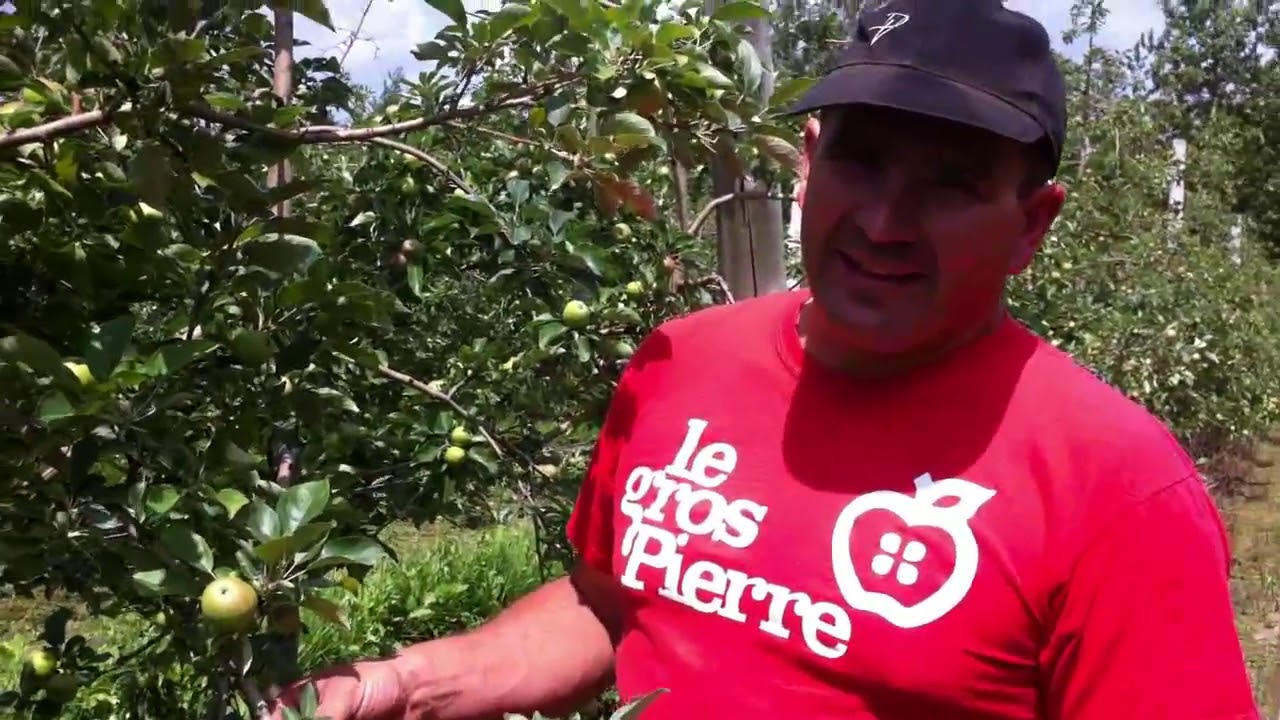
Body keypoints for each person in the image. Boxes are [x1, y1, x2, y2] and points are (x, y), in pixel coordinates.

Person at [268, 1, 1260, 718]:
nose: (881, 221)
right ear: (805, 163)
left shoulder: (1113, 486)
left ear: (1030, 225)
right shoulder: (676, 365)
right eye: (858, 162)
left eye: (950, 185)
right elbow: (614, 605)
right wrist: (409, 681)